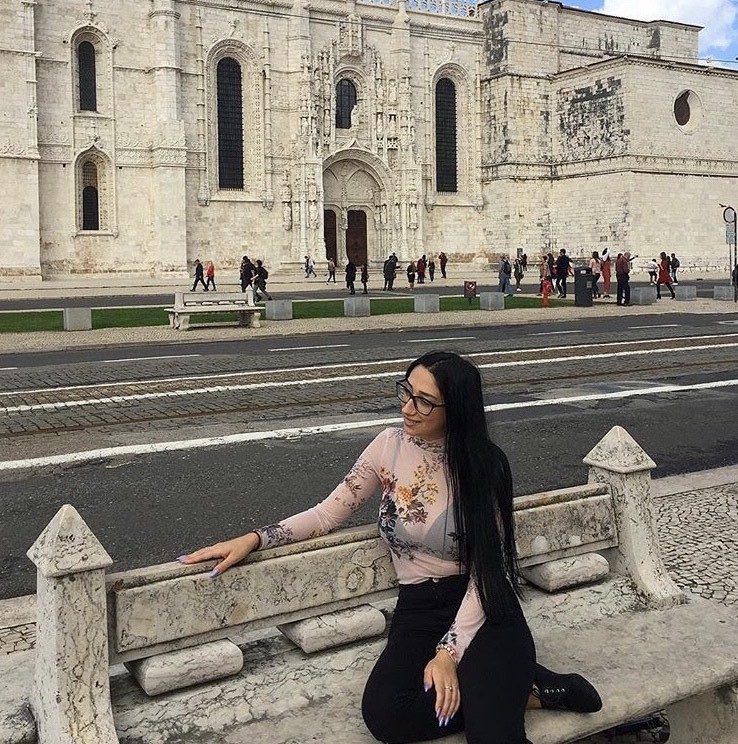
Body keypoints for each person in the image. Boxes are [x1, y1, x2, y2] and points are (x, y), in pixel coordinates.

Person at [178, 351, 603, 744]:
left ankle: (510, 687)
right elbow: (328, 514)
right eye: (405, 392)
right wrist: (254, 538)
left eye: (423, 401)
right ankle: (521, 689)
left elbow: (485, 572)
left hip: (484, 605)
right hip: (418, 608)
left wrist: (448, 654)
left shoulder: (483, 465)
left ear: (455, 410)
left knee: (492, 737)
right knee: (385, 715)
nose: (406, 408)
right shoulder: (389, 446)